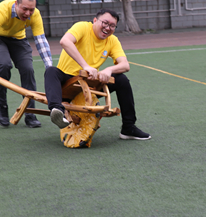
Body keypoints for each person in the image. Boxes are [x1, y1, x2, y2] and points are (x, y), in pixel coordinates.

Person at [44, 9, 151, 140]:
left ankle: (128, 128)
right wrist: (85, 66)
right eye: (105, 23)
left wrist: (109, 70)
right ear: (95, 20)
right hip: (67, 83)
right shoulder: (82, 27)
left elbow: (125, 65)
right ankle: (57, 112)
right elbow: (65, 41)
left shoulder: (112, 40)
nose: (108, 28)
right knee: (51, 71)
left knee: (121, 80)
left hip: (89, 85)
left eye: (112, 26)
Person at [0, 0, 52, 128]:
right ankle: (2, 106)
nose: (28, 13)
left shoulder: (35, 14)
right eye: (25, 9)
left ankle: (30, 113)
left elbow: (40, 40)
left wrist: (49, 66)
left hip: (18, 39)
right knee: (4, 65)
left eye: (31, 10)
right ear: (16, 4)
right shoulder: (2, 9)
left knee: (28, 69)